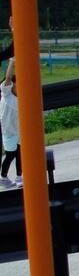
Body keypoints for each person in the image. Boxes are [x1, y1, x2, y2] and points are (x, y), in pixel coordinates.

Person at [0, 56, 21, 188]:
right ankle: (3, 178)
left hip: (19, 130)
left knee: (20, 154)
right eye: (17, 85)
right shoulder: (6, 93)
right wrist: (12, 62)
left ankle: (19, 177)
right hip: (8, 130)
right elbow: (8, 78)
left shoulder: (20, 98)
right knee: (10, 155)